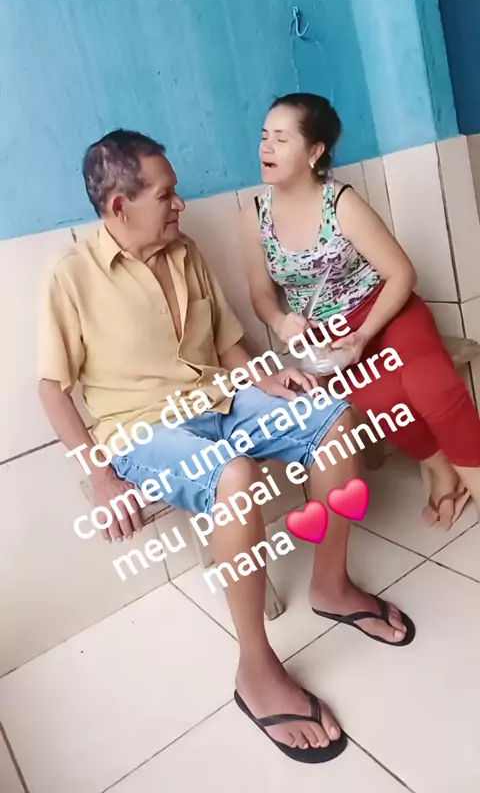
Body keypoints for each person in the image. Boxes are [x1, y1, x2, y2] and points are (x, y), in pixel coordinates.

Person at [38, 130, 415, 765]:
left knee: (334, 417)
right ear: (120, 206)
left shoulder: (184, 251)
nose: (180, 203)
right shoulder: (71, 276)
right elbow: (52, 389)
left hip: (222, 399)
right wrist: (100, 474)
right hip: (142, 428)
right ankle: (256, 669)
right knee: (233, 477)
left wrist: (263, 376)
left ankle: (332, 584)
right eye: (166, 194)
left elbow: (225, 341)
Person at [240, 93, 480, 531]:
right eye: (264, 136)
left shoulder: (341, 203)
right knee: (382, 401)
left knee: (431, 385)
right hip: (329, 341)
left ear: (314, 151)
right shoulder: (254, 217)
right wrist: (278, 320)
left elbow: (402, 273)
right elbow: (261, 295)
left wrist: (365, 335)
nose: (265, 148)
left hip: (386, 313)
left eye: (281, 139)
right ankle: (440, 468)